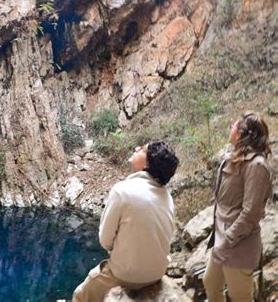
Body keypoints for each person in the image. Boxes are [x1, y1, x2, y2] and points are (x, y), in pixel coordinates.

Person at [72, 141, 179, 302]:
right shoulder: (167, 197)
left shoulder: (123, 191)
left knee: (80, 295)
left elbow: (105, 241)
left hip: (127, 275)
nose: (136, 148)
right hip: (157, 273)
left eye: (142, 149)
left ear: (147, 164)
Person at [203, 112, 272, 302]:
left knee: (240, 296)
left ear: (241, 134)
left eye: (234, 126)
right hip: (222, 238)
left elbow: (251, 213)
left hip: (238, 244)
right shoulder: (234, 157)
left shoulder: (256, 166)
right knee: (210, 283)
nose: (230, 128)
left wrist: (228, 238)